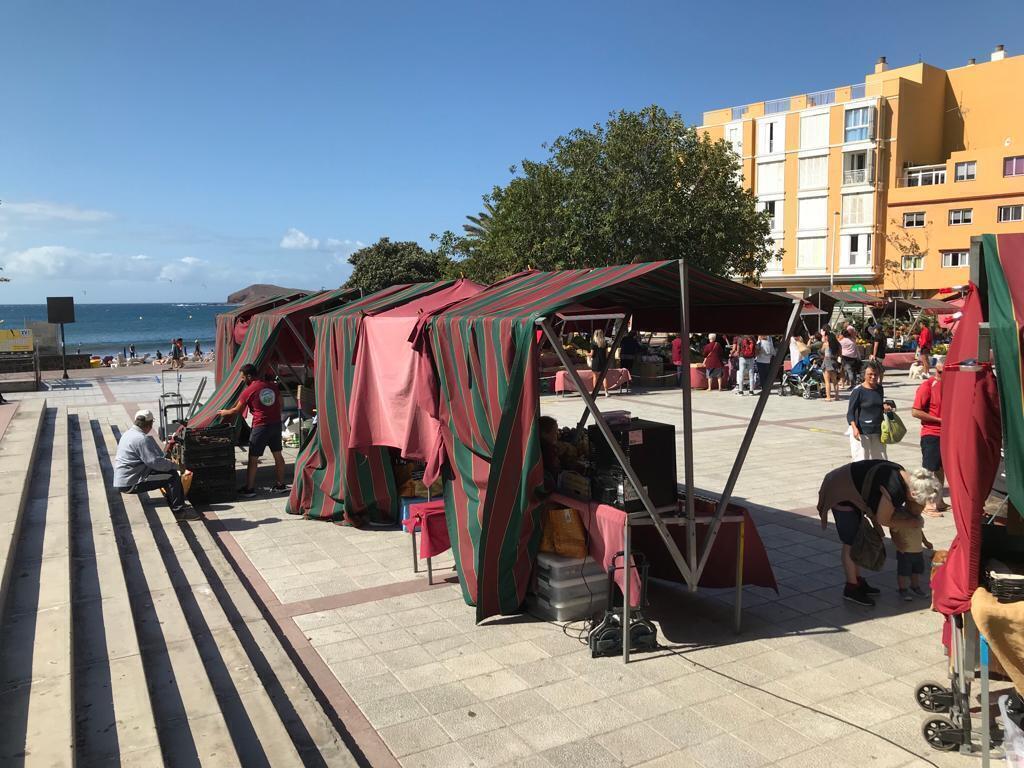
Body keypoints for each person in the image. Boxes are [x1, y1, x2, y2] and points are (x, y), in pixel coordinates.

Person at [817, 460, 942, 606]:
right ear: (913, 494)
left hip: (851, 486)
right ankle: (851, 588)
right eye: (921, 503)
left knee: (857, 537)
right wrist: (912, 523)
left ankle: (857, 581)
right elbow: (883, 519)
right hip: (839, 490)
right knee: (851, 541)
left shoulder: (904, 476)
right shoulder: (894, 489)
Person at [112, 409, 200, 521]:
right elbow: (155, 463)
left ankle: (175, 501)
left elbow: (153, 461)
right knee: (172, 476)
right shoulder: (141, 439)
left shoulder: (129, 433)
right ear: (149, 424)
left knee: (166, 473)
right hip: (130, 483)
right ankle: (179, 512)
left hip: (125, 478)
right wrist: (177, 466)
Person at [217, 364, 288, 497]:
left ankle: (249, 489)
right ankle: (281, 485)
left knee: (253, 458)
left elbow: (237, 410)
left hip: (260, 426)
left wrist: (224, 412)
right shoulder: (272, 386)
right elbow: (281, 403)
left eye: (243, 377)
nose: (242, 380)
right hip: (275, 425)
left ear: (249, 376)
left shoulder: (249, 390)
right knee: (278, 455)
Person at [912, 362, 947, 517]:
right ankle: (927, 504)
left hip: (946, 434)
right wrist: (939, 420)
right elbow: (915, 411)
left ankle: (938, 500)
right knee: (928, 469)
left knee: (941, 469)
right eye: (940, 371)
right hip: (931, 433)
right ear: (936, 370)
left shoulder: (950, 386)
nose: (941, 374)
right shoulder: (927, 386)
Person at [847, 360, 891, 460]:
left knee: (881, 459)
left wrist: (884, 407)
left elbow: (877, 404)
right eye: (870, 374)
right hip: (862, 431)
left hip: (878, 429)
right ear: (864, 375)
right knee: (861, 460)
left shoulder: (879, 389)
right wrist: (854, 428)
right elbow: (850, 413)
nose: (873, 377)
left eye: (875, 374)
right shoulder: (858, 391)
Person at [890, 511, 931, 601]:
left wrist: (925, 541)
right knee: (903, 572)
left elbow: (920, 531)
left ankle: (915, 586)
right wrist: (898, 544)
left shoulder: (918, 517)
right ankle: (902, 589)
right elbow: (893, 531)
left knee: (916, 571)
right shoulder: (901, 518)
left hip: (918, 550)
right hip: (905, 551)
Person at [587, 329, 610, 397]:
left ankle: (595, 392)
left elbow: (592, 354)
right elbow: (606, 354)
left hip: (595, 362)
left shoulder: (593, 343)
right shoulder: (605, 343)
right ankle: (606, 392)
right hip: (603, 362)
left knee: (595, 377)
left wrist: (586, 354)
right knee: (604, 377)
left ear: (595, 335)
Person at [819, 327, 840, 401]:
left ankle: (828, 397)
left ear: (827, 337)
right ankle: (837, 397)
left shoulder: (826, 344)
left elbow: (821, 351)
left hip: (827, 361)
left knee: (827, 381)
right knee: (835, 381)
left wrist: (823, 341)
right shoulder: (837, 344)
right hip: (834, 361)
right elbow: (840, 353)